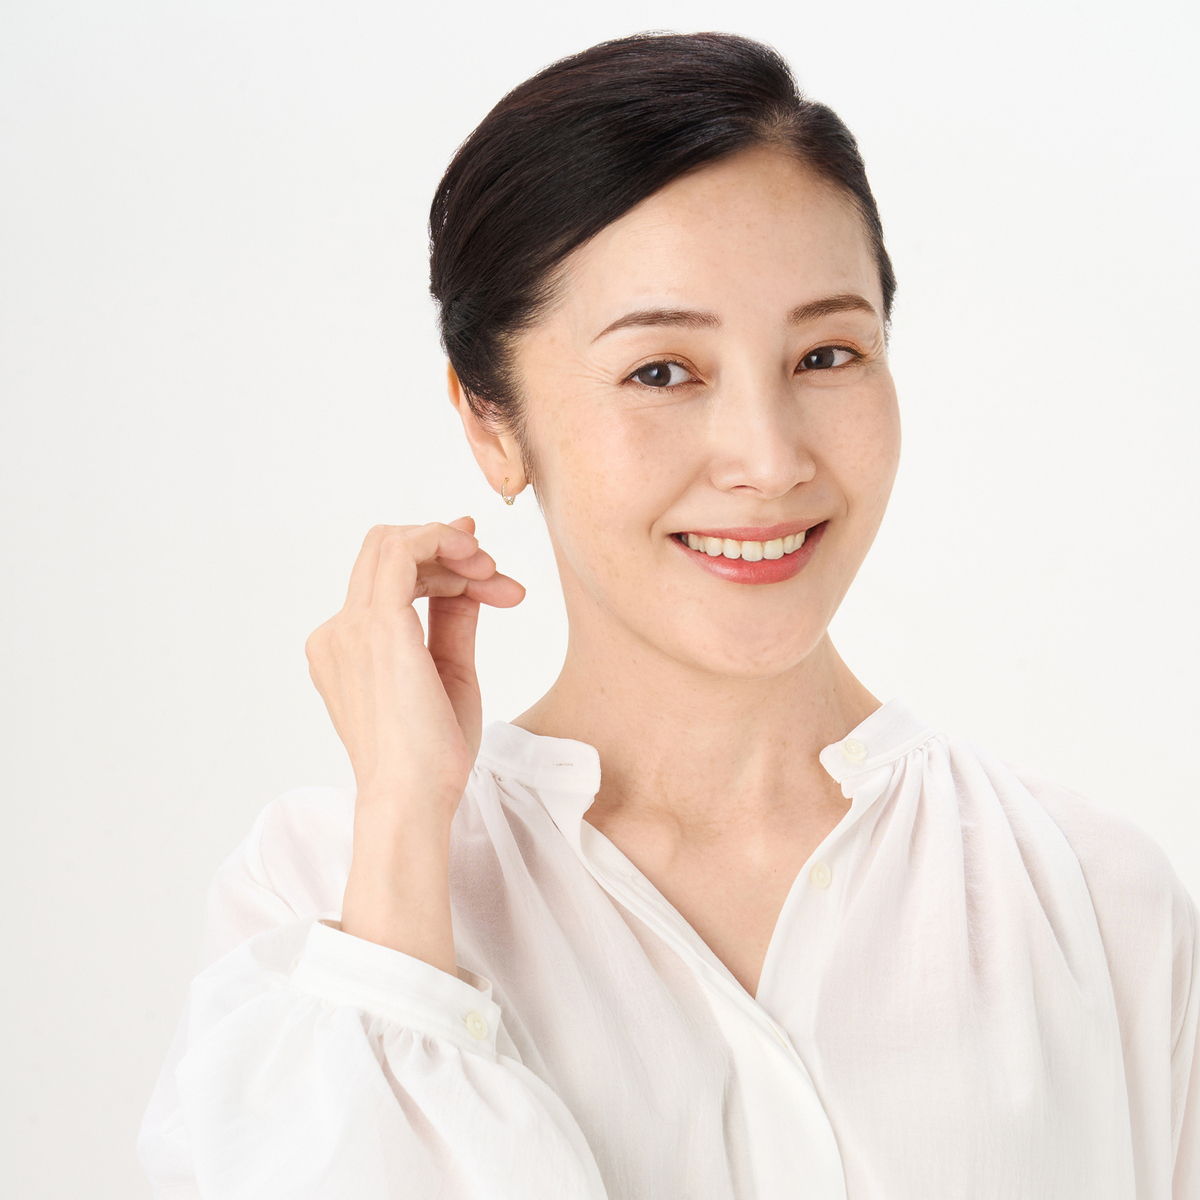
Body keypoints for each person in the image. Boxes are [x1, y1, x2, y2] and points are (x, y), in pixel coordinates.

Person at [137, 31, 1200, 1200]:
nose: (768, 459)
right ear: (491, 421)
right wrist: (403, 841)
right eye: (661, 371)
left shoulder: (1095, 902)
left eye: (827, 353)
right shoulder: (324, 905)